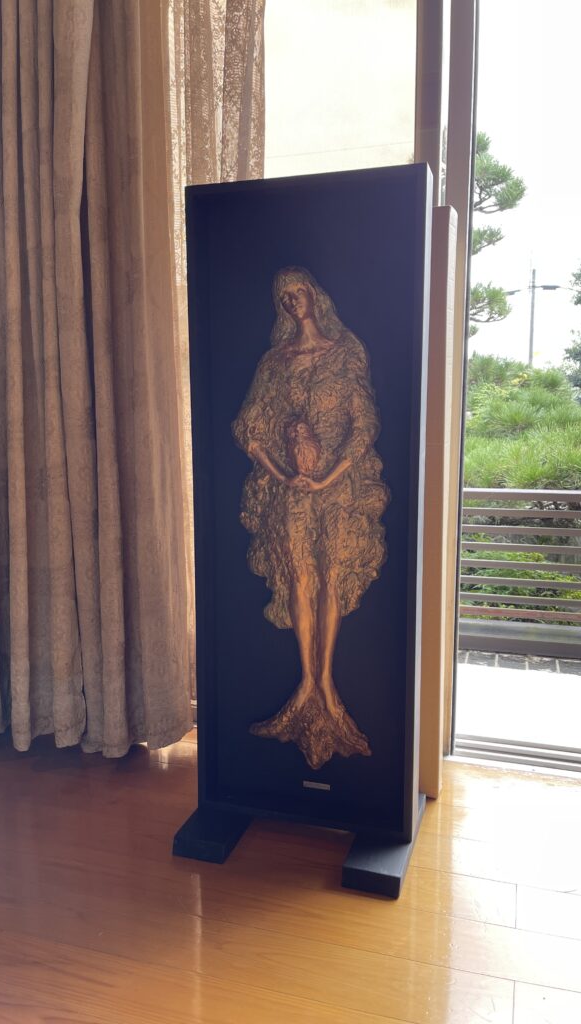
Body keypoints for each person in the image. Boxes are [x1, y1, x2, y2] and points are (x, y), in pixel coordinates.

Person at [232, 266, 389, 770]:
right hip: (292, 493)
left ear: (314, 296)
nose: (292, 300)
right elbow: (248, 427)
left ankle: (325, 685)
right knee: (300, 577)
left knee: (331, 578)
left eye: (298, 291)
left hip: (339, 491)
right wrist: (283, 475)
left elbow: (365, 424)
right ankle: (307, 684)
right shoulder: (275, 362)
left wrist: (330, 476)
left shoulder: (346, 352)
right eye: (283, 296)